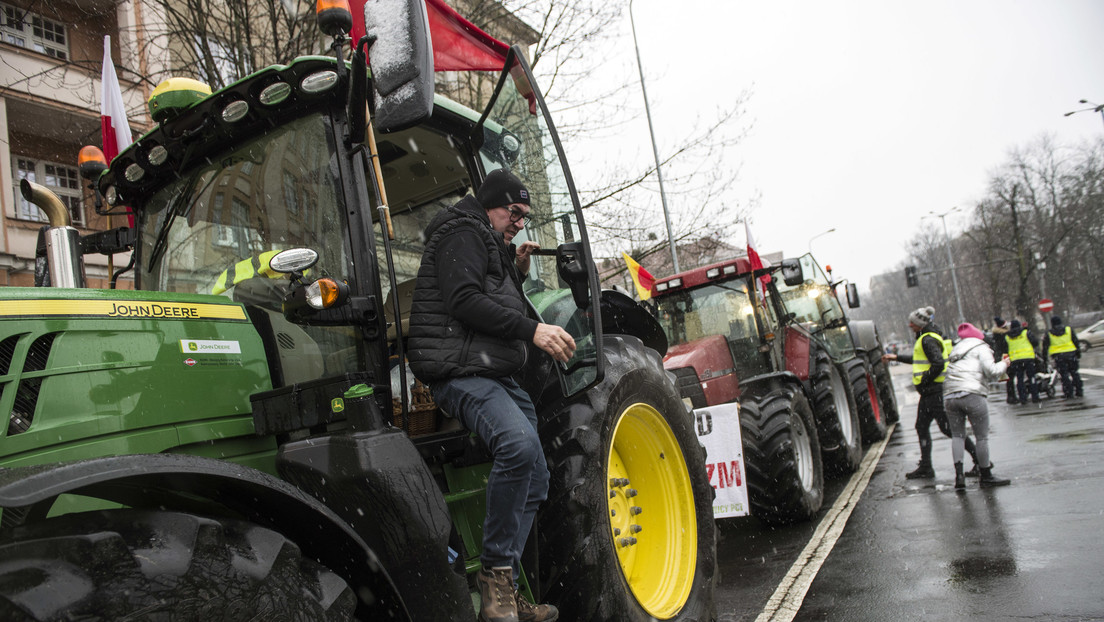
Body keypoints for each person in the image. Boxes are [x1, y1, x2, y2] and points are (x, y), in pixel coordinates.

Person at [407, 168, 571, 622]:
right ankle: (497, 579)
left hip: (495, 374)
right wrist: (533, 330)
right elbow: (463, 301)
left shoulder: (487, 240)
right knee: (517, 447)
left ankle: (504, 585)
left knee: (536, 477)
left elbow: (497, 300)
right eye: (514, 212)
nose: (519, 221)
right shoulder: (462, 233)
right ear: (490, 203)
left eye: (524, 216)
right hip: (461, 371)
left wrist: (515, 270)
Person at [883, 306, 980, 479]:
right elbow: (921, 360)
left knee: (949, 429)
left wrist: (924, 380)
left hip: (935, 393)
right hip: (930, 394)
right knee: (922, 426)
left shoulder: (927, 339)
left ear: (919, 323)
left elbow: (937, 364)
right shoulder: (927, 337)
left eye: (912, 322)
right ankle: (926, 466)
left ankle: (980, 461)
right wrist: (896, 357)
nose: (909, 325)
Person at [943, 323, 1012, 489]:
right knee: (981, 437)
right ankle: (986, 475)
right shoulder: (982, 347)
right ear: (978, 336)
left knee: (958, 436)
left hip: (950, 396)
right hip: (972, 394)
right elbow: (992, 371)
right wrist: (1005, 364)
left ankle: (959, 477)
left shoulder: (955, 350)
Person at [1042, 315, 1084, 399]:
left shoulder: (1049, 333)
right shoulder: (1068, 329)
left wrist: (1045, 358)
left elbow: (1045, 347)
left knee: (1064, 375)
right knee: (1075, 373)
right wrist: (1078, 352)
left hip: (1059, 357)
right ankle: (1079, 390)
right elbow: (1075, 341)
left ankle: (1069, 392)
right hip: (1071, 354)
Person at [1005, 319, 1040, 404]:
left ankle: (1022, 398)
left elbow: (1005, 348)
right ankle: (1035, 396)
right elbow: (1035, 342)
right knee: (1031, 377)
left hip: (1015, 360)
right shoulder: (1026, 333)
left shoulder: (1007, 336)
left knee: (1020, 379)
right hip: (1028, 358)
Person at [990, 316, 1017, 404]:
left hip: (1000, 356)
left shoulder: (996, 334)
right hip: (1006, 356)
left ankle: (1010, 396)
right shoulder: (1005, 335)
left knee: (1007, 378)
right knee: (1010, 377)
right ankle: (1012, 397)